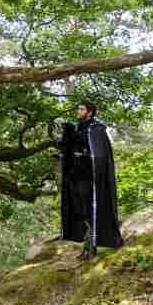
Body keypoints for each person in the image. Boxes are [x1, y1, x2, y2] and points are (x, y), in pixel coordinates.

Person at [57, 101, 124, 259]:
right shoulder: (77, 127)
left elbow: (99, 155)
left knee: (89, 210)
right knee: (79, 211)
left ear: (90, 112)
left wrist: (85, 156)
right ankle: (87, 246)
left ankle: (92, 248)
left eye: (81, 109)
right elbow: (70, 147)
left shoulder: (96, 128)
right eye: (78, 108)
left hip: (89, 177)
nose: (78, 111)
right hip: (75, 175)